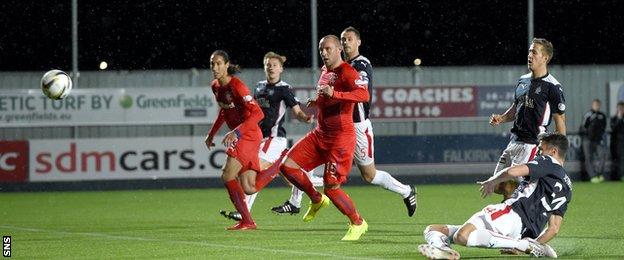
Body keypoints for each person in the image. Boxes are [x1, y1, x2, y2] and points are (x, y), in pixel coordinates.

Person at [271, 27, 417, 217]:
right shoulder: (333, 66)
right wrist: (320, 101)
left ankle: (406, 191)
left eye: (349, 39)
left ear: (358, 42)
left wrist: (335, 94)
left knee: (369, 175)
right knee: (303, 162)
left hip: (356, 126)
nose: (346, 42)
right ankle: (297, 200)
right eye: (343, 39)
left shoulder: (361, 65)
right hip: (334, 127)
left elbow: (361, 93)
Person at [418, 133, 572, 259]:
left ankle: (524, 245)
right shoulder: (567, 187)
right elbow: (554, 229)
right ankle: (443, 250)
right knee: (432, 229)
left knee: (462, 236)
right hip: (522, 230)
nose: (538, 152)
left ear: (553, 152)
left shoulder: (548, 161)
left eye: (541, 148)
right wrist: (535, 242)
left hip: (512, 213)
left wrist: (492, 181)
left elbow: (512, 171)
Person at [279, 35, 369, 241]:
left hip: (341, 137)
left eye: (328, 49)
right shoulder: (325, 71)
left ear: (339, 49)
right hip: (320, 134)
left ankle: (357, 222)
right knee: (287, 167)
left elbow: (364, 96)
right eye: (321, 50)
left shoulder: (348, 72)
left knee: (332, 185)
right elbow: (326, 94)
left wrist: (335, 94)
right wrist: (317, 101)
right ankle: (316, 198)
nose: (324, 53)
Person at [219, 51, 318, 221]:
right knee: (286, 175)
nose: (271, 67)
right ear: (264, 67)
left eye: (274, 65)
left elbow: (296, 111)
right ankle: (302, 188)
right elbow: (252, 111)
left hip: (274, 139)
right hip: (257, 139)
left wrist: (305, 118)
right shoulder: (259, 87)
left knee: (251, 170)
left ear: (281, 69)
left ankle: (245, 212)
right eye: (268, 65)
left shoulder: (284, 89)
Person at [204, 50, 280, 230]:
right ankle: (279, 164)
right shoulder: (215, 86)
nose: (215, 67)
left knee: (227, 174)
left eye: (218, 63)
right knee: (249, 187)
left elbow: (258, 113)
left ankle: (246, 220)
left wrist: (236, 133)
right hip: (242, 135)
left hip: (248, 135)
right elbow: (224, 111)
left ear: (227, 65)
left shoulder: (237, 86)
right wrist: (211, 134)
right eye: (212, 64)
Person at [489, 38, 566, 199]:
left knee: (514, 189)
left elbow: (560, 124)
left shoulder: (553, 87)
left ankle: (511, 221)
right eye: (530, 51)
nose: (530, 55)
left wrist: (559, 158)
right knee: (497, 185)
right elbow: (516, 107)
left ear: (545, 58)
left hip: (531, 144)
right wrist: (501, 118)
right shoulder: (523, 80)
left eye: (534, 52)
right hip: (514, 141)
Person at [580, 99, 607, 183]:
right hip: (588, 140)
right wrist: (587, 135)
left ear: (600, 106)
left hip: (598, 140)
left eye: (598, 105)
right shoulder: (588, 115)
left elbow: (604, 127)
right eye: (595, 105)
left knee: (602, 156)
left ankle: (599, 174)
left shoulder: (602, 115)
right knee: (588, 157)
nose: (596, 106)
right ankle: (593, 176)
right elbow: (583, 126)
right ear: (592, 105)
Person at [610, 101, 624, 181]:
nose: (621, 110)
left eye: (622, 108)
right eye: (619, 108)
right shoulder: (614, 118)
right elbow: (613, 128)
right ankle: (619, 175)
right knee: (618, 159)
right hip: (617, 143)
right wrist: (619, 119)